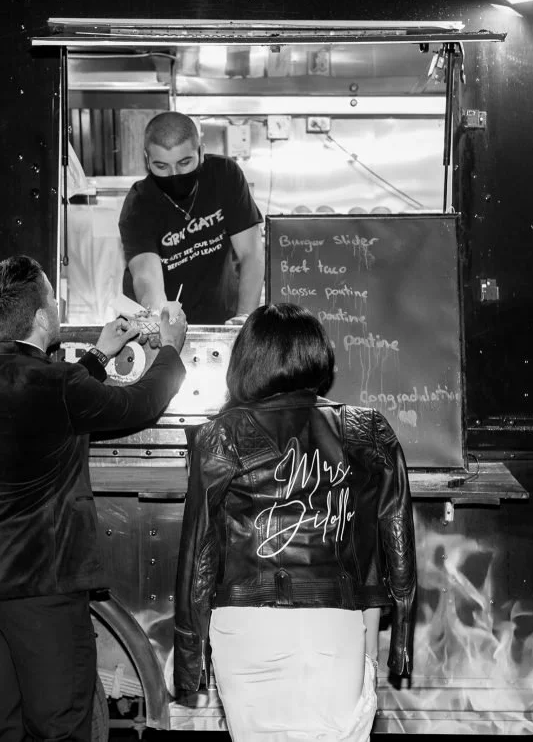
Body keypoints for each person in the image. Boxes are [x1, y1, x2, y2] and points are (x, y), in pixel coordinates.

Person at [0, 255, 188, 741]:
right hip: (42, 587)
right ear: (41, 318)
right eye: (52, 298)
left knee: (7, 732)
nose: (57, 305)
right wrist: (171, 349)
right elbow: (140, 403)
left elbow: (45, 408)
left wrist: (99, 354)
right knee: (60, 731)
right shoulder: (57, 384)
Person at [173, 303, 416, 741]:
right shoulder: (367, 429)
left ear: (247, 361)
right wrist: (397, 640)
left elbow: (199, 552)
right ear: (318, 356)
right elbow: (394, 543)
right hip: (333, 625)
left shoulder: (221, 434)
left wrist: (190, 655)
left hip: (246, 625)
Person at [119, 111, 264, 326]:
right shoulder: (139, 204)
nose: (174, 174)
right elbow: (146, 278)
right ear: (147, 159)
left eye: (184, 162)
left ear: (201, 152)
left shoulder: (224, 176)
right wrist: (163, 323)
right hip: (163, 322)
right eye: (161, 166)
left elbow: (251, 253)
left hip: (222, 317)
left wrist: (244, 320)